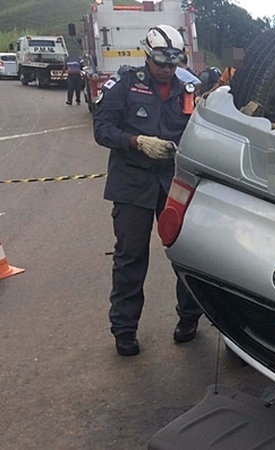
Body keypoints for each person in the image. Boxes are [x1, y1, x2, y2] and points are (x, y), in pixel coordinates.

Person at [93, 24, 204, 357]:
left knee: (187, 253)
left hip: (175, 182)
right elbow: (102, 128)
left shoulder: (190, 86)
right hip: (132, 182)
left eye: (173, 61)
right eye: (160, 61)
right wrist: (136, 142)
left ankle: (189, 318)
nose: (167, 68)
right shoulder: (126, 83)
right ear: (147, 55)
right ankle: (124, 329)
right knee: (130, 257)